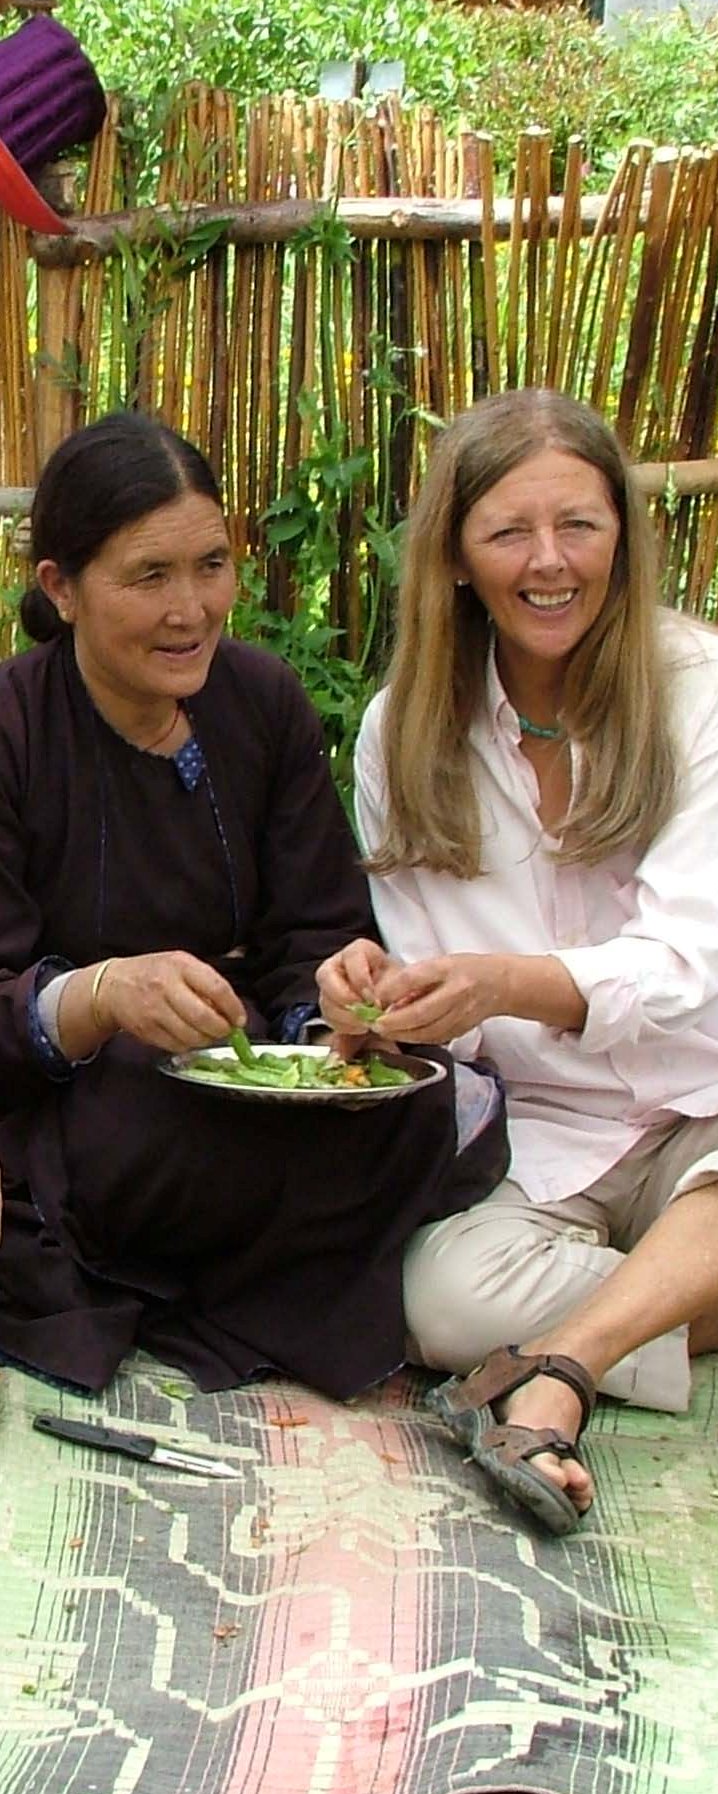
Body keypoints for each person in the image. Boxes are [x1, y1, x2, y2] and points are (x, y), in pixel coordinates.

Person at [318, 389, 718, 1536]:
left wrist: (504, 980)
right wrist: (385, 1003)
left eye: (578, 524)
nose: (548, 561)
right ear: (458, 558)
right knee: (436, 1301)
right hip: (552, 1142)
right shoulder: (401, 729)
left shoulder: (703, 687)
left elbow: (685, 954)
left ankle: (566, 1362)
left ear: (622, 530)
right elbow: (446, 1006)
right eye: (508, 532)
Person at [0, 415, 508, 1396]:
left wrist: (334, 1002)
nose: (190, 608)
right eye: (148, 576)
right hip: (76, 1102)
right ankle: (303, 1271)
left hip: (239, 1086)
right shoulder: (15, 731)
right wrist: (103, 994)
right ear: (61, 587)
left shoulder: (261, 701)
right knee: (144, 1115)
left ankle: (249, 1257)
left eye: (211, 565)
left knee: (431, 1099)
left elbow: (314, 923)